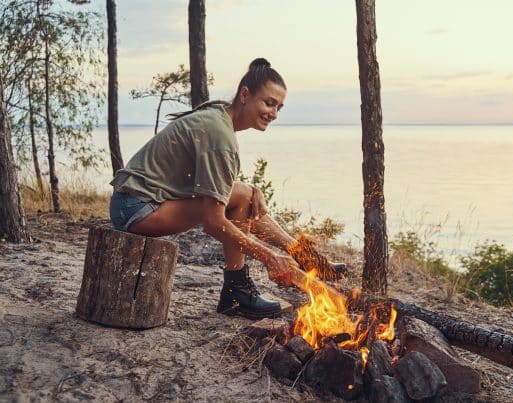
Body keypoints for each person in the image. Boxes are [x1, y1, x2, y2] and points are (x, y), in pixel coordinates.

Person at [109, 58, 346, 320]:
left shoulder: (220, 118)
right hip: (136, 208)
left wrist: (248, 188)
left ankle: (304, 256)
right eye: (268, 103)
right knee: (242, 196)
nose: (274, 114)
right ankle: (237, 291)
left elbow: (212, 182)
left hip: (144, 199)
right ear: (245, 94)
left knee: (245, 194)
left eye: (279, 107)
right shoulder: (219, 135)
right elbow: (213, 222)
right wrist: (270, 257)